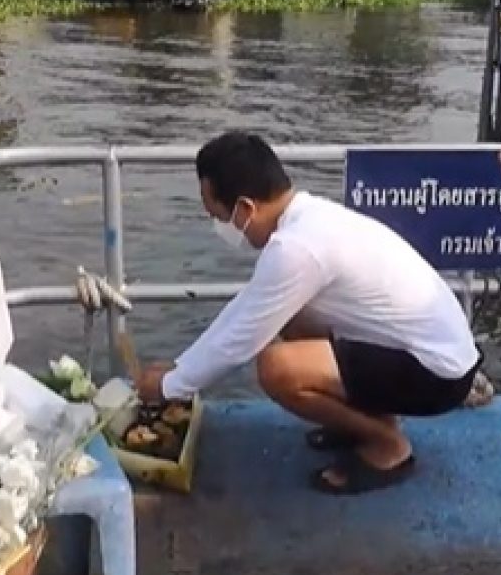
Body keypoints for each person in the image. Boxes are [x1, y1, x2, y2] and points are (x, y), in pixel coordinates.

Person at [137, 131, 481, 495]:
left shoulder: (296, 249)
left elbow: (239, 342)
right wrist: (180, 367)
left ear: (245, 209)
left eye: (219, 216)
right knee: (289, 315)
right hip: (435, 357)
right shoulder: (312, 216)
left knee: (277, 368)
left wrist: (170, 387)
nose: (219, 227)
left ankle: (388, 445)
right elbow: (249, 309)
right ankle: (366, 420)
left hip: (437, 377)